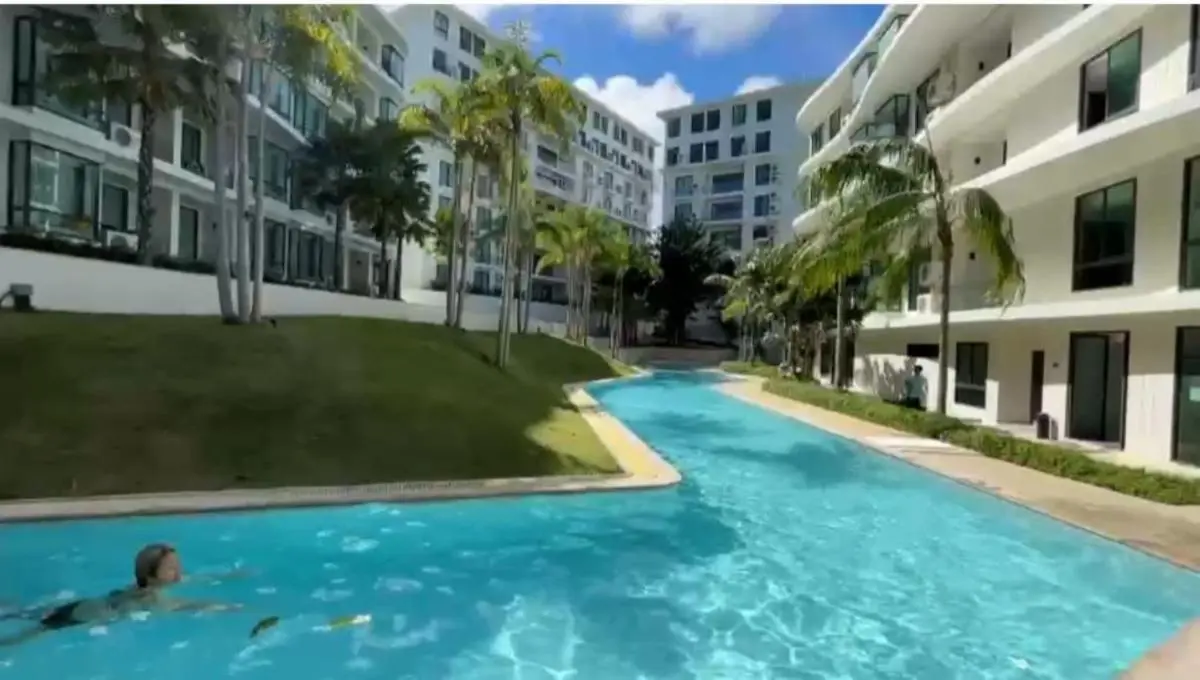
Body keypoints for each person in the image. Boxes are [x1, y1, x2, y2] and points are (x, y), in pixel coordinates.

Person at [0, 543, 241, 647]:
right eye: (171, 569)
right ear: (152, 576)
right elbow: (188, 605)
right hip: (81, 618)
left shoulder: (137, 585)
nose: (179, 573)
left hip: (81, 606)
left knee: (22, 614)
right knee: (24, 638)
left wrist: (230, 576)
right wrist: (228, 607)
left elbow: (185, 582)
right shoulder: (153, 598)